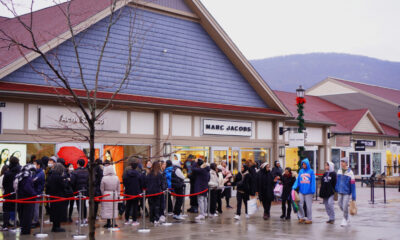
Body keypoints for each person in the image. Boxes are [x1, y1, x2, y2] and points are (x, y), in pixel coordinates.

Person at [46, 163, 71, 232]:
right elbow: (63, 186)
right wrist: (67, 180)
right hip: (59, 196)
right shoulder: (58, 177)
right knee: (58, 213)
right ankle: (57, 227)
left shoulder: (50, 175)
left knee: (54, 212)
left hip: (52, 196)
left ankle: (54, 226)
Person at [15, 164, 37, 235]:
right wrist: (34, 194)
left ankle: (23, 229)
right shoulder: (27, 177)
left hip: (20, 198)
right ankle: (26, 231)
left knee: (22, 214)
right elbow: (27, 188)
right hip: (28, 199)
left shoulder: (20, 175)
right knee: (27, 215)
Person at [292, 158, 315, 224]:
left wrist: (313, 189)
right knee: (299, 204)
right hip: (301, 191)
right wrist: (294, 186)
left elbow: (313, 181)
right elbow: (298, 180)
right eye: (303, 164)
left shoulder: (311, 171)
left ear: (307, 164)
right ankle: (301, 217)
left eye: (305, 164)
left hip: (309, 192)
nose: (303, 165)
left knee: (308, 206)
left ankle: (309, 219)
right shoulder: (301, 171)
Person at [336, 157, 356, 227]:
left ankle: (344, 219)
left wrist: (354, 196)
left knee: (344, 206)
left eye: (343, 162)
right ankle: (347, 217)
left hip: (347, 192)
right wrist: (336, 188)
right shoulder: (339, 171)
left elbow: (353, 185)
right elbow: (337, 181)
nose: (341, 163)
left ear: (346, 163)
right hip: (340, 191)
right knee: (339, 204)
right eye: (341, 161)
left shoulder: (350, 172)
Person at [123, 158, 143, 226]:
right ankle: (134, 220)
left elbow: (124, 181)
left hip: (128, 191)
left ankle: (126, 219)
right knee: (135, 206)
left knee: (128, 205)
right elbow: (141, 183)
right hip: (136, 192)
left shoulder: (127, 174)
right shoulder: (138, 174)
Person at [2, 156, 21, 230]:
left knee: (6, 209)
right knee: (16, 208)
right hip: (17, 193)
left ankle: (5, 224)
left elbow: (4, 184)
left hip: (8, 193)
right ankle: (17, 223)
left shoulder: (7, 173)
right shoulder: (19, 171)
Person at [100, 164, 120, 228]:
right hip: (114, 193)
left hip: (106, 194)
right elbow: (118, 187)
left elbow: (102, 188)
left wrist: (103, 194)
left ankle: (108, 222)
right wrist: (118, 194)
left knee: (107, 209)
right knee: (114, 208)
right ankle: (114, 222)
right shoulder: (116, 177)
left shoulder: (104, 178)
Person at [71, 159, 89, 225]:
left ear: (78, 164)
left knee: (79, 204)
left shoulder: (75, 172)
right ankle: (84, 218)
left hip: (77, 190)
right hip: (85, 190)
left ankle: (81, 218)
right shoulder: (87, 171)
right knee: (84, 204)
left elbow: (72, 182)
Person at [32, 159, 45, 228]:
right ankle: (35, 220)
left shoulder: (40, 173)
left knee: (36, 208)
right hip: (35, 192)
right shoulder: (36, 172)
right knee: (34, 208)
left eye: (35, 164)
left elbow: (33, 180)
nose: (33, 165)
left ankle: (36, 221)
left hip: (37, 192)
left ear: (38, 165)